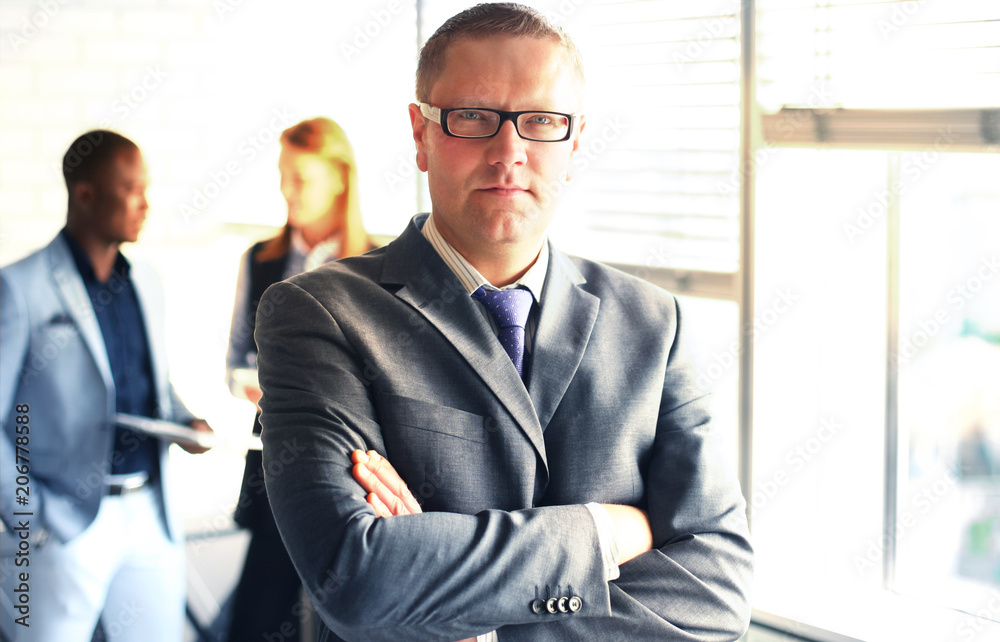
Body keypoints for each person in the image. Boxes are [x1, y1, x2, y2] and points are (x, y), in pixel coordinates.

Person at [255, 4, 753, 641]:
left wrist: (472, 623)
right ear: (421, 135)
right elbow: (355, 580)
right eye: (472, 117)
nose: (508, 152)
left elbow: (717, 593)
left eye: (541, 121)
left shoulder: (655, 325)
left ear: (575, 142)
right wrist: (605, 532)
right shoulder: (319, 313)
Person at [0, 130, 214, 641]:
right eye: (132, 189)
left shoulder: (147, 282)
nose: (146, 204)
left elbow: (151, 384)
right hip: (65, 523)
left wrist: (185, 422)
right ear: (86, 194)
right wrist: (30, 518)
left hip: (151, 515)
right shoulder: (19, 287)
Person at [225, 116, 374, 642]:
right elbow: (235, 364)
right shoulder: (260, 260)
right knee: (258, 619)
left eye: (301, 179)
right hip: (274, 464)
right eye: (283, 176)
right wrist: (262, 386)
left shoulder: (374, 264)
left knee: (347, 618)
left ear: (339, 179)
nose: (287, 191)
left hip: (353, 475)